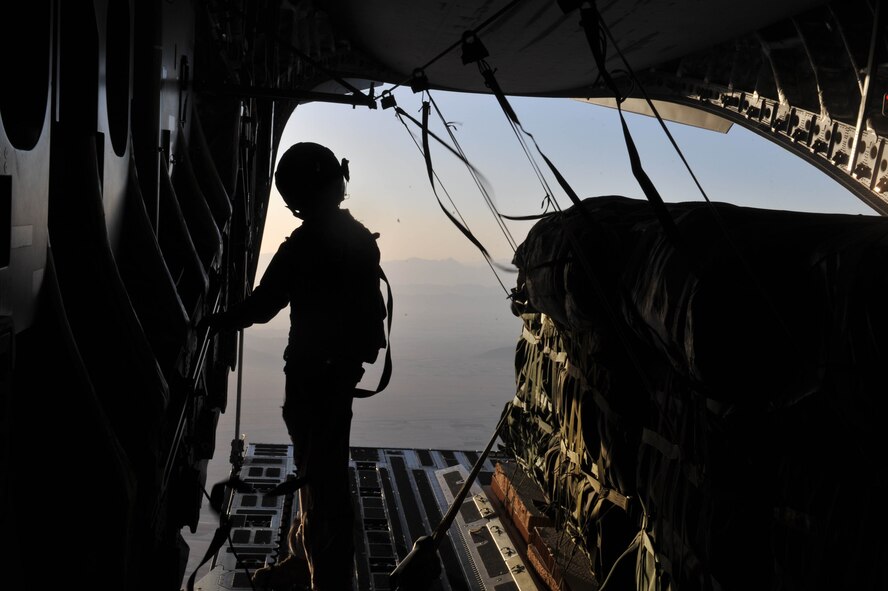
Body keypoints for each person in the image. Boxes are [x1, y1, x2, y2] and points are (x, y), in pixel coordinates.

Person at [203, 142, 387, 590]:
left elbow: (263, 306)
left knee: (321, 484)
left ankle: (326, 579)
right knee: (315, 472)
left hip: (313, 379)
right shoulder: (355, 237)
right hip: (335, 377)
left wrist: (215, 321)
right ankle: (302, 560)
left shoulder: (308, 244)